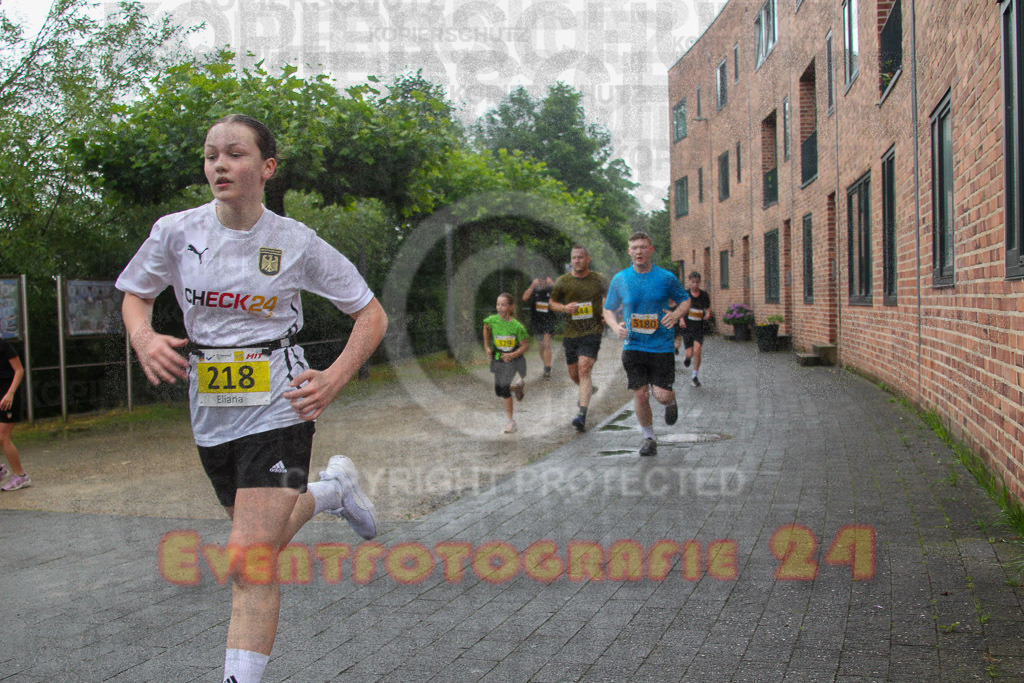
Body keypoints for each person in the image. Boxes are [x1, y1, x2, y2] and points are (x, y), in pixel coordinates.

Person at [116, 115, 388, 683]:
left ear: (266, 168)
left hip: (281, 403)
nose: (219, 164)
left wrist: (334, 378)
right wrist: (143, 337)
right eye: (211, 154)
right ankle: (332, 491)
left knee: (248, 561)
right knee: (254, 548)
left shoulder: (295, 241)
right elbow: (136, 295)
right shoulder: (176, 232)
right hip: (210, 410)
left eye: (235, 154)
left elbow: (370, 314)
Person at [603, 232, 690, 457]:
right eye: (635, 248)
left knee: (661, 395)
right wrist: (615, 327)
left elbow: (685, 299)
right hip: (633, 346)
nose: (639, 251)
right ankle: (649, 438)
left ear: (651, 250)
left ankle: (671, 401)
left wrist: (676, 314)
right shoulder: (620, 279)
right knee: (641, 394)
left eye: (643, 247)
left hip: (661, 346)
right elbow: (608, 309)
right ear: (629, 252)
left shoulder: (666, 277)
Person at [549, 246, 607, 432]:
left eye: (580, 257)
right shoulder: (563, 281)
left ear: (587, 259)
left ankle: (581, 414)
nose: (576, 261)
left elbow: (609, 297)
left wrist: (607, 312)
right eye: (574, 258)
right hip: (571, 334)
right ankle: (588, 389)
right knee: (575, 374)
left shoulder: (598, 279)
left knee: (584, 369)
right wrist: (564, 308)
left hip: (592, 331)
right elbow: (552, 303)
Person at [483, 293, 529, 433]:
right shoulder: (493, 320)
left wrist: (511, 355)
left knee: (503, 387)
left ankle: (510, 422)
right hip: (498, 356)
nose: (499, 307)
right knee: (499, 390)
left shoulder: (517, 326)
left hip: (513, 358)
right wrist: (486, 346)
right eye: (498, 304)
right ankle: (516, 387)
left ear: (511, 307)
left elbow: (525, 346)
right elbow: (486, 326)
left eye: (503, 305)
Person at [0, 340, 29, 491]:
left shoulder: (4, 345)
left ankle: (21, 476)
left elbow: (19, 370)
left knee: (2, 437)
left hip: (9, 396)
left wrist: (10, 393)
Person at [680, 271, 711, 387]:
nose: (695, 285)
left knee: (697, 350)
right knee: (690, 353)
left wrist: (707, 313)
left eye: (697, 282)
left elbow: (707, 308)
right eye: (693, 282)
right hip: (687, 328)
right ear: (689, 281)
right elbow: (681, 308)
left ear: (700, 282)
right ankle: (687, 357)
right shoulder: (685, 294)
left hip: (699, 327)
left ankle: (694, 376)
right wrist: (681, 320)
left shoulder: (704, 295)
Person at [521, 274, 555, 379]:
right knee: (541, 345)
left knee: (546, 343)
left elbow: (559, 295)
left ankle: (547, 369)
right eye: (540, 282)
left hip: (549, 320)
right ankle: (546, 364)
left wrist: (552, 284)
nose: (542, 284)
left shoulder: (551, 289)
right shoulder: (534, 290)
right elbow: (524, 298)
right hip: (537, 321)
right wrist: (532, 285)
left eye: (544, 281)